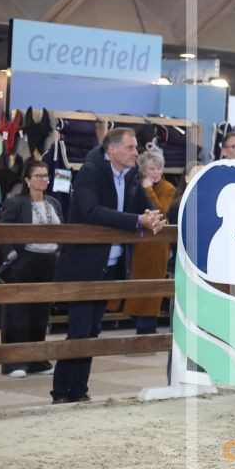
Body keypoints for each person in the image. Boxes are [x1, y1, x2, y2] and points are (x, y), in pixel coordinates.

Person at [51, 128, 165, 404]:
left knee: (93, 330)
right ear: (112, 149)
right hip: (83, 263)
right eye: (130, 147)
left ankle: (79, 390)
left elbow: (146, 205)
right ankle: (61, 391)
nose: (136, 152)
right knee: (79, 330)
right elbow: (92, 211)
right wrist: (137, 221)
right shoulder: (90, 172)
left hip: (110, 265)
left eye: (136, 147)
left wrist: (154, 217)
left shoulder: (131, 176)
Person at [0, 159, 63, 378]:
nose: (43, 180)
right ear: (27, 180)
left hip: (48, 261)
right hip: (24, 260)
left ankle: (36, 361)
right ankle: (14, 362)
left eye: (46, 176)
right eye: (38, 176)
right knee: (17, 311)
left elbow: (63, 230)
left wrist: (59, 253)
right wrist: (12, 255)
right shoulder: (17, 202)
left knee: (40, 312)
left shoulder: (54, 202)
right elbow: (1, 231)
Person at [121, 149, 175, 336]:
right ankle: (143, 330)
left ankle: (147, 332)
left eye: (159, 168)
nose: (156, 172)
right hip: (136, 245)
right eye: (152, 169)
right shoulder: (134, 184)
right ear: (143, 171)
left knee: (150, 293)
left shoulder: (167, 188)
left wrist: (148, 190)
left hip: (155, 248)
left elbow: (162, 213)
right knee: (134, 291)